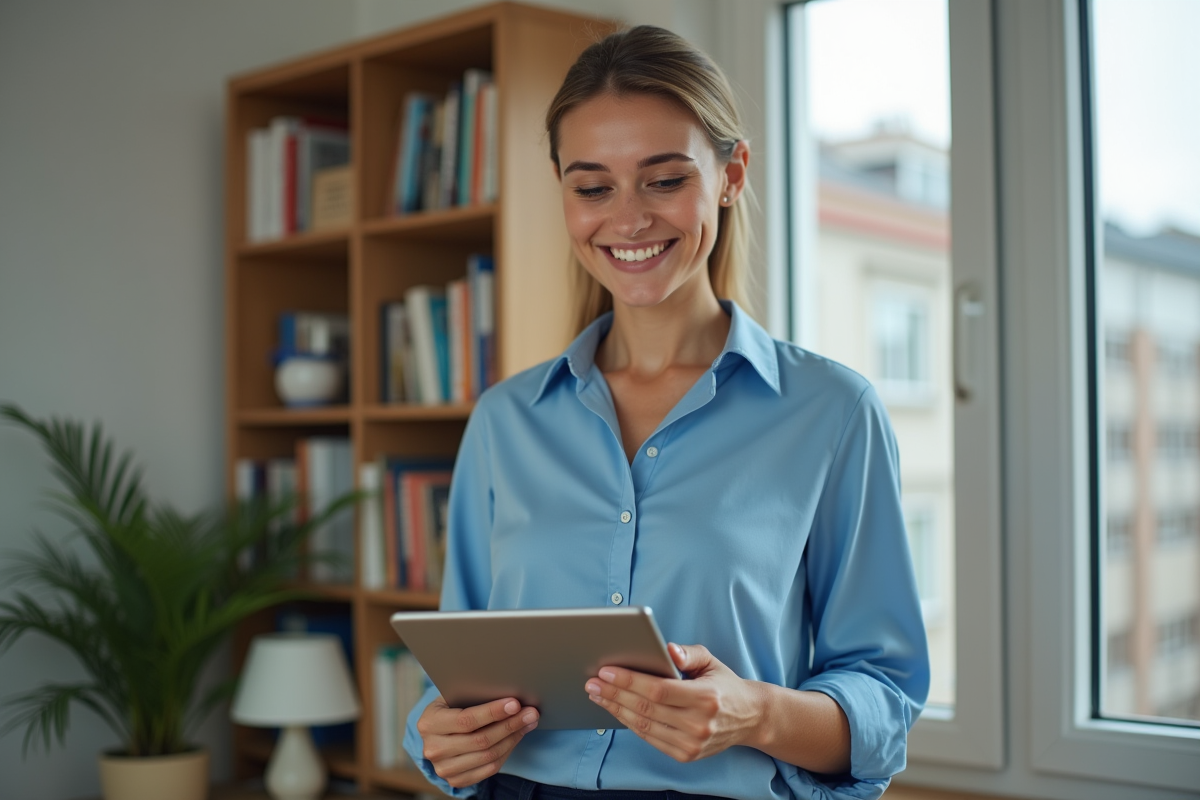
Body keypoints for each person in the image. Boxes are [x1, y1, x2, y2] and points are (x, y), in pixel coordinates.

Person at [404, 24, 929, 800]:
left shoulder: (832, 413)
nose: (629, 220)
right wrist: (440, 734)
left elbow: (884, 700)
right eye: (593, 188)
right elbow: (454, 672)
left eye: (664, 180)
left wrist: (755, 714)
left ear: (731, 175)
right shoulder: (505, 421)